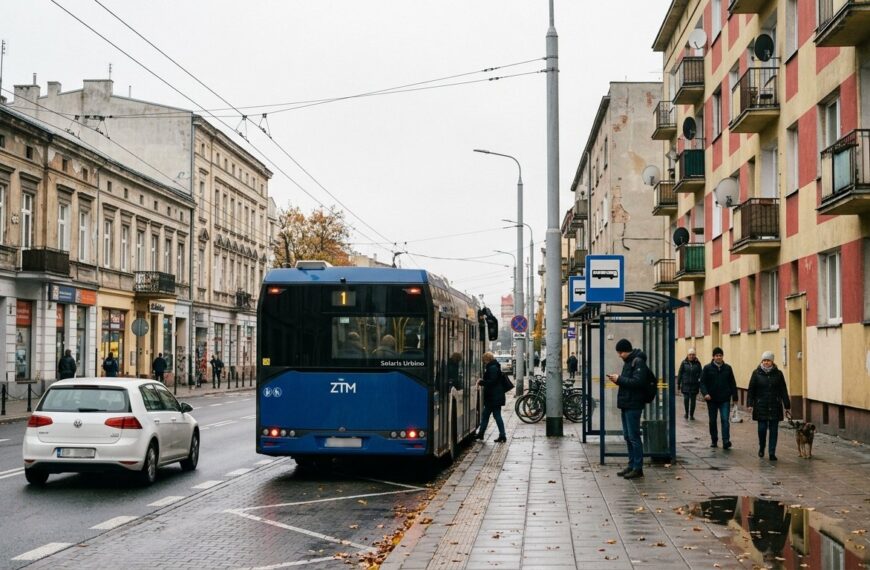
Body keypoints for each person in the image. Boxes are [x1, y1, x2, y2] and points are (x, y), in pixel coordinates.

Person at [606, 338, 648, 479]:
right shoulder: (628, 362)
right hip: (626, 404)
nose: (619, 355)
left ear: (625, 351)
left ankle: (638, 468)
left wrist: (619, 379)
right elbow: (628, 382)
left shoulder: (638, 362)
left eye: (620, 352)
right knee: (627, 436)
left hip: (634, 404)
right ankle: (631, 465)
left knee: (634, 437)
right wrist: (617, 379)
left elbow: (638, 382)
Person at [747, 351, 791, 461]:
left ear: (772, 361)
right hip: (760, 404)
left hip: (775, 405)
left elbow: (783, 390)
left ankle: (772, 452)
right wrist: (750, 403)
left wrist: (787, 405)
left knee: (774, 430)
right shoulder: (756, 373)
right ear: (762, 361)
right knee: (762, 429)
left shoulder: (778, 374)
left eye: (768, 360)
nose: (766, 362)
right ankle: (762, 447)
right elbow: (751, 389)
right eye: (764, 360)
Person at [699, 347, 738, 449]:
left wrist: (735, 397)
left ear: (722, 356)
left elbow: (732, 383)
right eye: (716, 355)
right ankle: (714, 440)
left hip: (724, 398)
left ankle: (726, 440)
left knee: (725, 420)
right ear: (713, 357)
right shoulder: (707, 368)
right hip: (711, 399)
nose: (718, 357)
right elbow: (702, 383)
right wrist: (705, 394)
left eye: (720, 355)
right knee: (712, 420)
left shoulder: (728, 368)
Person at [475, 352, 507, 443]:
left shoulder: (492, 368)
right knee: (487, 415)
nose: (484, 362)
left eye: (484, 360)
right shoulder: (494, 366)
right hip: (494, 396)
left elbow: (492, 382)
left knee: (494, 416)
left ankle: (502, 435)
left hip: (493, 397)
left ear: (487, 359)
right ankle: (482, 434)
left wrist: (482, 382)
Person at [677, 348, 702, 420]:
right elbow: (680, 373)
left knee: (693, 401)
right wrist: (678, 383)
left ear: (695, 355)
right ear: (687, 355)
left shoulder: (698, 363)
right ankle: (686, 413)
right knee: (686, 399)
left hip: (694, 385)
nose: (691, 356)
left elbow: (701, 373)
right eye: (690, 355)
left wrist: (700, 382)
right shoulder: (684, 363)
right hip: (685, 384)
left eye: (693, 355)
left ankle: (691, 415)